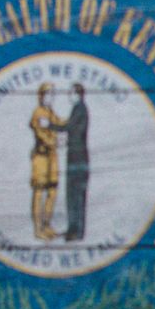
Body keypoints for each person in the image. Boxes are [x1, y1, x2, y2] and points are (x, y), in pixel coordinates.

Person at [28, 83, 63, 241]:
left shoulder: (51, 112)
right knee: (39, 192)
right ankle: (37, 228)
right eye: (48, 94)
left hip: (52, 157)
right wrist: (56, 141)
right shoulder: (38, 113)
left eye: (52, 94)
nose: (50, 97)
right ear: (41, 96)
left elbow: (59, 124)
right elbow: (41, 134)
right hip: (41, 157)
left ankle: (47, 225)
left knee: (52, 191)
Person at [62, 83, 90, 242]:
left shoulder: (80, 109)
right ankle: (73, 229)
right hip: (74, 157)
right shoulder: (78, 108)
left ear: (78, 94)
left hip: (78, 158)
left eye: (71, 93)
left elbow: (70, 127)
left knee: (77, 196)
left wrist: (51, 125)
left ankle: (77, 231)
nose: (69, 95)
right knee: (72, 195)